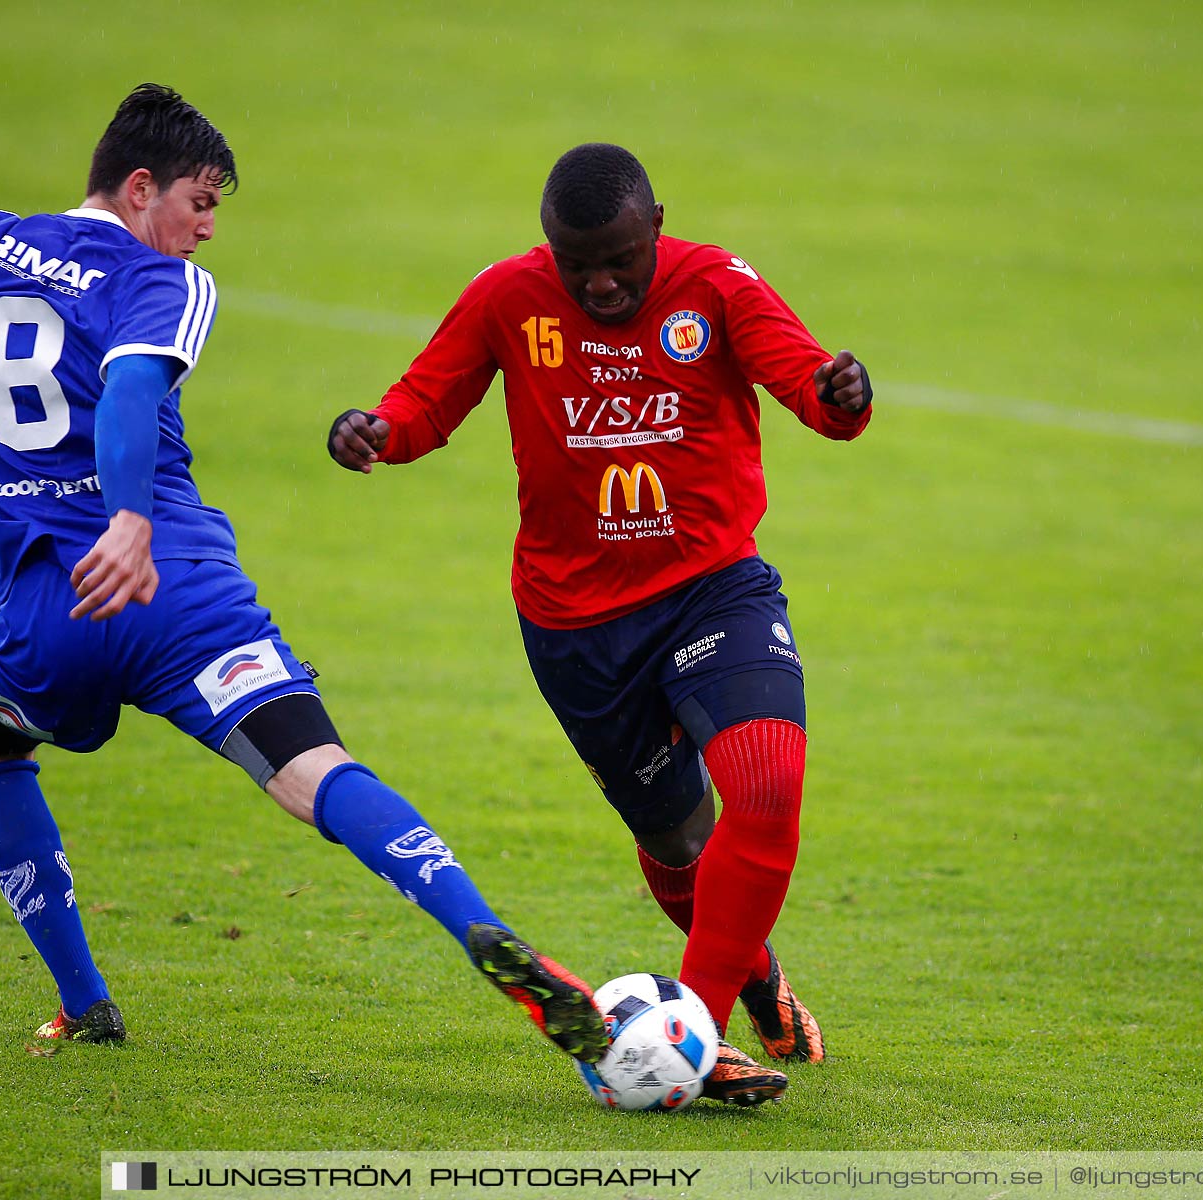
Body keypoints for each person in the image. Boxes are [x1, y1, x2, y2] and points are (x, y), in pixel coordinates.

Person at [0, 84, 605, 1064]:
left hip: (50, 617)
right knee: (315, 771)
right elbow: (135, 385)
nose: (209, 228)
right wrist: (131, 519)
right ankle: (487, 933)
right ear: (140, 188)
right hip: (175, 587)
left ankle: (85, 1001)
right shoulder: (163, 284)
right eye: (202, 201)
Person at [328, 142, 872, 1106]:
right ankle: (756, 981)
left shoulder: (717, 286)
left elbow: (808, 382)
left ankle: (693, 1033)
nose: (601, 281)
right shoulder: (507, 297)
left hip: (712, 587)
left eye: (620, 258)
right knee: (677, 842)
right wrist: (376, 430)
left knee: (767, 782)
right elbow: (424, 403)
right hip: (576, 627)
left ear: (655, 225)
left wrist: (839, 396)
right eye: (577, 264)